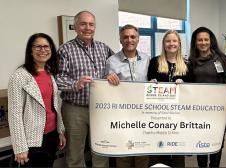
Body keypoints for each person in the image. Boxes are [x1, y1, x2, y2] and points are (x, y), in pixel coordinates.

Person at [57, 11, 114, 167]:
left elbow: (115, 70)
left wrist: (111, 75)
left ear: (95, 27)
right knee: (75, 154)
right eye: (83, 24)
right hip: (75, 109)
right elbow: (58, 80)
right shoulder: (65, 50)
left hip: (101, 109)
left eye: (91, 24)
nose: (87, 28)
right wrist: (76, 84)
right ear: (75, 27)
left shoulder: (104, 48)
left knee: (101, 150)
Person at [8, 33, 66, 167]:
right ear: (30, 50)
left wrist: (60, 131)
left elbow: (55, 105)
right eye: (38, 47)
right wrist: (20, 147)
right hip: (31, 140)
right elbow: (14, 114)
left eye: (46, 46)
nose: (43, 50)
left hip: (51, 136)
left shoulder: (49, 73)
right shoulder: (19, 76)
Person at [189, 26, 226, 167]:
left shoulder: (221, 58)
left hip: (217, 110)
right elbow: (188, 82)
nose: (203, 42)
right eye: (200, 40)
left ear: (211, 41)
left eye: (206, 39)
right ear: (195, 42)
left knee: (216, 142)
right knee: (200, 143)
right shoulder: (191, 62)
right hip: (198, 111)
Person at [106, 24, 150, 168]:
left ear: (138, 39)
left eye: (133, 37)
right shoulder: (111, 61)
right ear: (120, 39)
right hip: (122, 114)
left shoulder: (147, 59)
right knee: (124, 151)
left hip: (143, 113)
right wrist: (108, 79)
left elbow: (150, 82)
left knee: (142, 150)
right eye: (125, 37)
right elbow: (107, 88)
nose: (129, 40)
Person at [147, 30, 190, 167]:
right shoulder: (155, 61)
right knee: (159, 151)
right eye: (168, 41)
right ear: (163, 44)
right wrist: (151, 82)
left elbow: (193, 90)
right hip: (159, 115)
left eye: (174, 41)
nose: (171, 44)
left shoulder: (187, 63)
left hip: (179, 114)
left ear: (179, 43)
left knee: (178, 151)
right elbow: (148, 82)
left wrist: (185, 85)